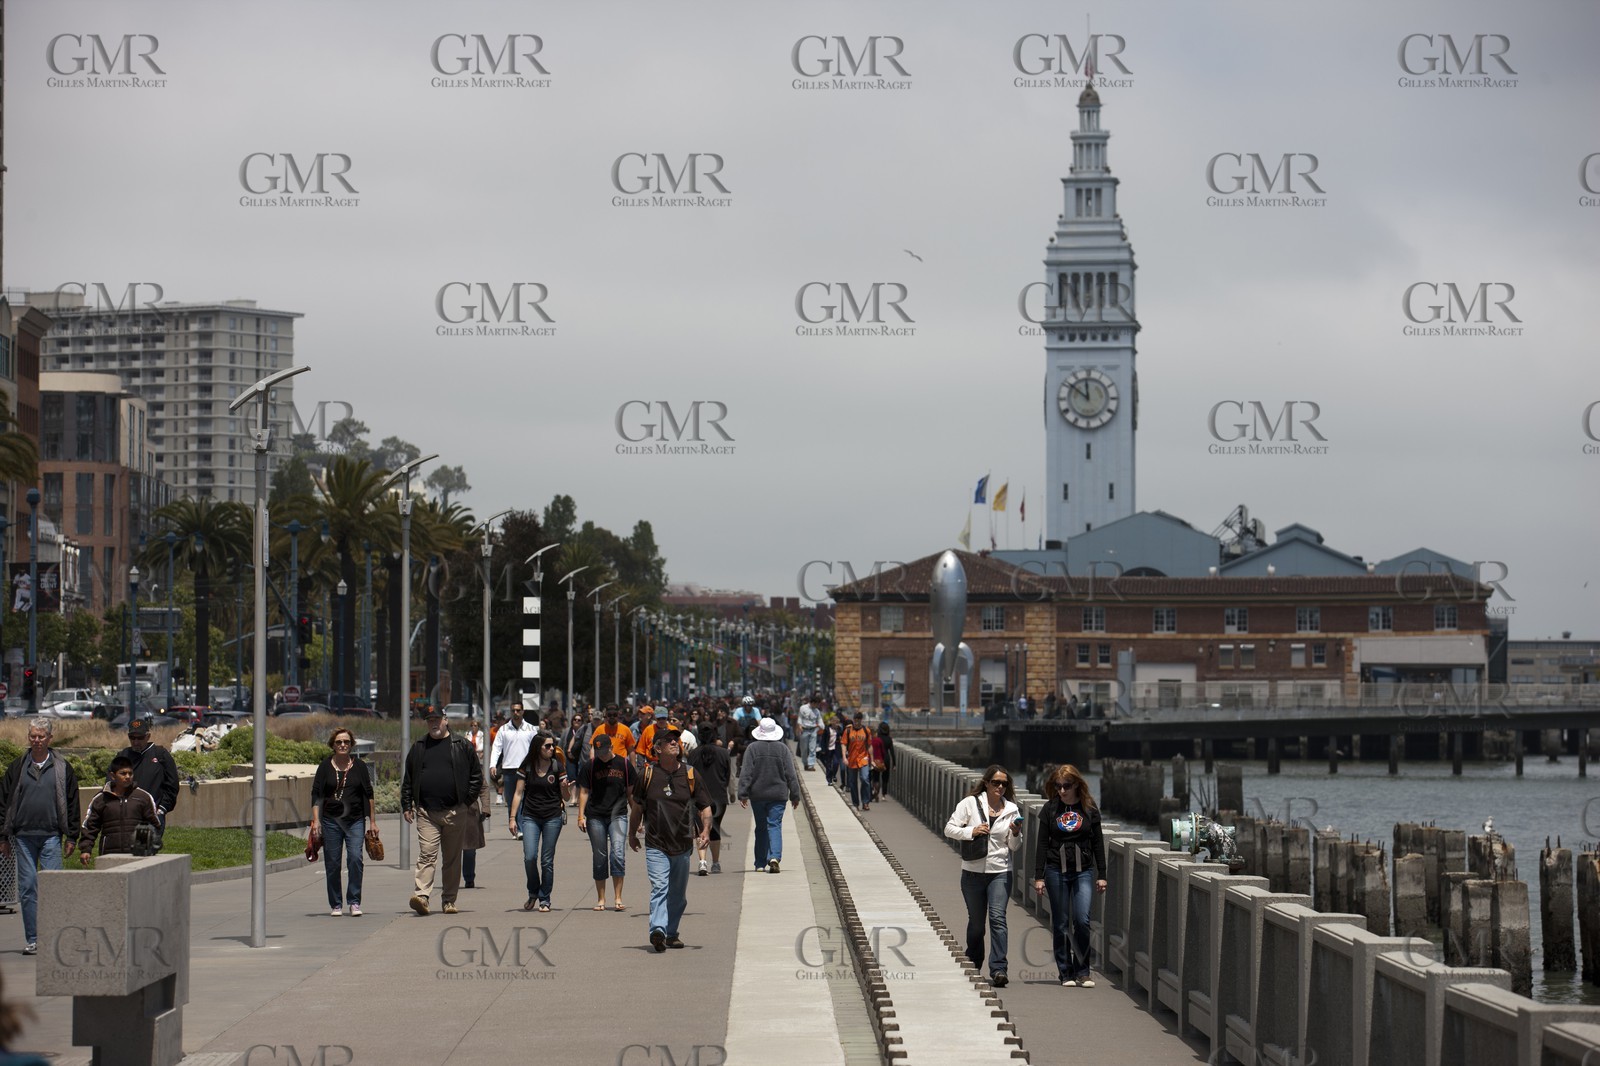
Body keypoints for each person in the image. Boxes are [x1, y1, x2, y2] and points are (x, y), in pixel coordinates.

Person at [0, 719, 81, 955]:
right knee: (27, 888)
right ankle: (34, 939)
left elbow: (72, 802)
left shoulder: (62, 768)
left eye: (41, 736)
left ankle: (55, 937)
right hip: (23, 837)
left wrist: (72, 836)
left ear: (50, 739)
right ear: (29, 737)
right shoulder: (17, 767)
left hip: (51, 837)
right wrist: (3, 837)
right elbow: (3, 803)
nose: (36, 740)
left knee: (53, 887)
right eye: (33, 736)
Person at [628, 731, 711, 952]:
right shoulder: (647, 774)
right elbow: (636, 808)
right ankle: (658, 930)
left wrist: (706, 829)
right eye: (669, 741)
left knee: (678, 895)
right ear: (657, 748)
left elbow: (705, 806)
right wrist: (631, 834)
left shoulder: (691, 774)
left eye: (676, 740)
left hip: (683, 845)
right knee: (660, 887)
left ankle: (671, 932)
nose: (675, 743)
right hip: (656, 843)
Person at [944, 764, 1023, 988]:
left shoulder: (1011, 809)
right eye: (996, 782)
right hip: (972, 872)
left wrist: (1016, 833)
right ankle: (973, 962)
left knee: (998, 919)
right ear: (987, 783)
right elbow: (949, 829)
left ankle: (999, 968)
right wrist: (972, 831)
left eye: (1004, 784)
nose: (1000, 787)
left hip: (1000, 871)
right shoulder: (970, 803)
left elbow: (1014, 846)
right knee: (977, 924)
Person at [401, 707, 483, 917]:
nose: (433, 723)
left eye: (437, 719)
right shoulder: (419, 747)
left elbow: (476, 776)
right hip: (427, 812)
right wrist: (407, 805)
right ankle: (422, 896)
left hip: (455, 811)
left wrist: (466, 802)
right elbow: (408, 779)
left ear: (446, 720)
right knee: (427, 854)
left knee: (452, 858)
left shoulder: (461, 745)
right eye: (429, 720)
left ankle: (448, 900)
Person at [1032, 763, 1108, 987]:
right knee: (1061, 923)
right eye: (1058, 786)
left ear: (1077, 784)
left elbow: (1098, 843)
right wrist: (1039, 876)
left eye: (1066, 785)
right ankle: (1066, 972)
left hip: (1083, 871)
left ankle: (1083, 971)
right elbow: (1042, 845)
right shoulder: (1050, 809)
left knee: (1082, 920)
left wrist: (1101, 874)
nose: (1062, 790)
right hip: (1056, 870)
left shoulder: (1089, 808)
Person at [309, 727, 376, 916]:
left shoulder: (360, 766)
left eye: (346, 742)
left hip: (355, 820)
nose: (343, 745)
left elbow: (369, 794)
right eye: (339, 742)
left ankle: (354, 901)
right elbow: (316, 794)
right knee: (332, 863)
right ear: (333, 745)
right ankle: (336, 904)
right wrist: (316, 821)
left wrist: (372, 822)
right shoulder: (324, 766)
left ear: (351, 745)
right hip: (331, 821)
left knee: (355, 858)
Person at [510, 734, 569, 912]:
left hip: (553, 817)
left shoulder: (557, 765)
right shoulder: (527, 766)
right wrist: (512, 818)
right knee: (530, 857)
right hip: (530, 816)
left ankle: (545, 898)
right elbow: (518, 793)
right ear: (538, 748)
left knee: (546, 861)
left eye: (553, 746)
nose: (552, 749)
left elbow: (566, 797)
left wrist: (566, 789)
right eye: (548, 746)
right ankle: (533, 892)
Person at [737, 717, 801, 874]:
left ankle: (759, 863)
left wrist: (743, 793)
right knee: (775, 825)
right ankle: (774, 857)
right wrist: (795, 795)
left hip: (757, 794)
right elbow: (791, 774)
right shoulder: (783, 749)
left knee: (761, 828)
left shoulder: (752, 748)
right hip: (778, 795)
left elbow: (746, 773)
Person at [576, 734, 631, 910]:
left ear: (611, 747)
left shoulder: (624, 764)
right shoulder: (590, 766)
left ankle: (618, 897)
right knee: (600, 857)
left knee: (618, 854)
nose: (602, 754)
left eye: (605, 750)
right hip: (596, 815)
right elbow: (583, 792)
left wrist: (639, 816)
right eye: (598, 750)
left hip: (618, 814)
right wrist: (580, 815)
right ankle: (601, 899)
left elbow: (631, 792)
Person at [75, 755, 160, 860]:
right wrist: (86, 850)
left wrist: (146, 846)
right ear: (112, 776)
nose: (128, 776)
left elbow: (154, 824)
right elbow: (90, 827)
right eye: (123, 773)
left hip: (138, 855)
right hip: (109, 854)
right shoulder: (101, 799)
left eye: (130, 773)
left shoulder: (143, 797)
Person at [119, 718, 179, 840]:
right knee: (125, 855)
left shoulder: (160, 754)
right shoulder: (123, 756)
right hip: (127, 817)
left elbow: (172, 785)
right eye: (132, 737)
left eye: (140, 738)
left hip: (151, 817)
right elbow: (111, 783)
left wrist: (162, 809)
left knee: (144, 852)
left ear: (148, 736)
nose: (136, 742)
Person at [489, 701, 539, 836]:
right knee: (511, 800)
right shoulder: (504, 729)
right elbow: (497, 748)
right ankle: (514, 827)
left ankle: (523, 829)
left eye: (518, 710)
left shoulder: (530, 729)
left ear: (523, 712)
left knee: (524, 799)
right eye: (513, 711)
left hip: (526, 769)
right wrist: (492, 764)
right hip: (509, 769)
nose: (516, 713)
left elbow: (536, 748)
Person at [686, 729, 730, 874]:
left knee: (701, 830)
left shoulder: (693, 754)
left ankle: (702, 862)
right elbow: (727, 774)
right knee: (715, 829)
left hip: (698, 797)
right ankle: (716, 863)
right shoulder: (723, 753)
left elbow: (689, 775)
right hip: (719, 796)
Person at [842, 712, 873, 810]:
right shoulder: (848, 730)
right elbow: (843, 744)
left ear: (861, 720)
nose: (857, 721)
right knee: (852, 782)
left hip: (863, 758)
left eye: (859, 719)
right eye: (855, 719)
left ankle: (865, 802)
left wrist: (871, 759)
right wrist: (844, 757)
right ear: (853, 719)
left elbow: (869, 745)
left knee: (865, 779)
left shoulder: (866, 730)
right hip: (852, 759)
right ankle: (855, 803)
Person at [871, 723, 896, 802]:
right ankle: (884, 795)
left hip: (877, 758)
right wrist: (894, 764)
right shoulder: (889, 739)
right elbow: (892, 752)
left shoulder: (877, 738)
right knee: (885, 778)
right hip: (886, 759)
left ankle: (876, 792)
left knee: (876, 777)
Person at [796, 695, 821, 770]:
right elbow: (800, 717)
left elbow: (819, 720)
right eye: (817, 704)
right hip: (804, 730)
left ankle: (811, 765)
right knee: (804, 749)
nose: (817, 705)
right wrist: (799, 725)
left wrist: (820, 727)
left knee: (812, 748)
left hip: (813, 730)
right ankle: (805, 763)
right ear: (813, 703)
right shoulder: (803, 708)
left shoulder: (817, 711)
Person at [818, 716, 841, 786]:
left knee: (836, 763)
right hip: (828, 749)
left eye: (837, 722)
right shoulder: (827, 729)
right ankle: (829, 780)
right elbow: (823, 740)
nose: (836, 724)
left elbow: (842, 737)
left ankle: (833, 774)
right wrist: (823, 749)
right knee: (828, 765)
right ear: (831, 722)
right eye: (834, 722)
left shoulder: (839, 729)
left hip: (836, 749)